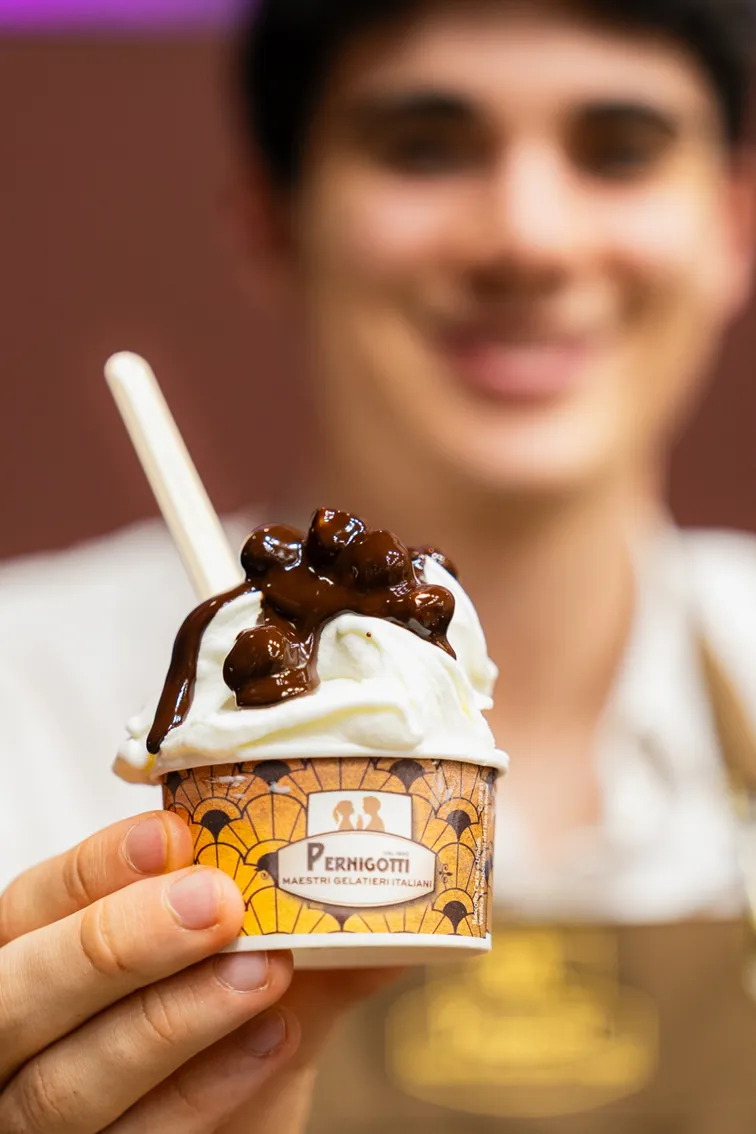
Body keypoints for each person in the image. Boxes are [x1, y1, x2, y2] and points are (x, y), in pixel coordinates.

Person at [1, 0, 756, 1129]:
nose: (530, 239)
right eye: (426, 148)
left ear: (733, 225)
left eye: (620, 151)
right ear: (271, 221)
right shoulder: (21, 706)